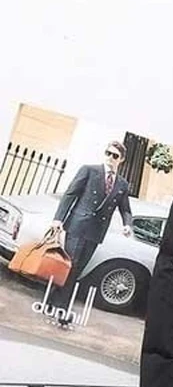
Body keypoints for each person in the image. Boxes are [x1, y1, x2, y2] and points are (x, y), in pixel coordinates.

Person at [47, 140, 133, 327]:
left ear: (121, 160)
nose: (110, 158)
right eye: (108, 153)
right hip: (77, 226)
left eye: (115, 155)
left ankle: (52, 301)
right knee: (70, 265)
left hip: (95, 232)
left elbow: (125, 208)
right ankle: (62, 309)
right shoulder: (89, 170)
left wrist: (127, 225)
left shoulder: (122, 184)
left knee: (76, 270)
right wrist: (58, 219)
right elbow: (70, 194)